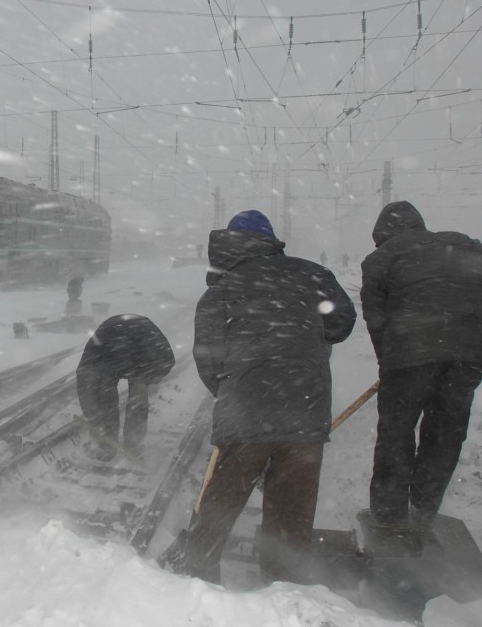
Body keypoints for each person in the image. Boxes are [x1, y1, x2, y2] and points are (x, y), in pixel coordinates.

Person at [168, 209, 356, 584]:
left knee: (220, 505)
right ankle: (283, 587)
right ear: (272, 240)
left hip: (245, 415)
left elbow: (208, 360)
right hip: (305, 415)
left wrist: (235, 392)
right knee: (291, 516)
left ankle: (196, 578)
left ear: (229, 244)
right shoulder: (313, 275)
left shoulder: (220, 290)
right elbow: (341, 323)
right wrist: (303, 346)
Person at [360, 200, 482, 542]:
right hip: (468, 356)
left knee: (397, 433)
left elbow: (377, 322)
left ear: (382, 235)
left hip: (411, 353)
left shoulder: (379, 259)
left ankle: (389, 518)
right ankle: (425, 510)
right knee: (446, 432)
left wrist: (389, 365)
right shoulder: (464, 245)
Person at [75, 314, 175, 461]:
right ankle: (108, 442)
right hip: (110, 353)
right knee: (105, 398)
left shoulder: (152, 346)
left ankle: (133, 442)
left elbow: (168, 361)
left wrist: (145, 380)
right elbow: (86, 390)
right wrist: (93, 418)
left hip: (140, 355)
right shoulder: (94, 358)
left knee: (138, 399)